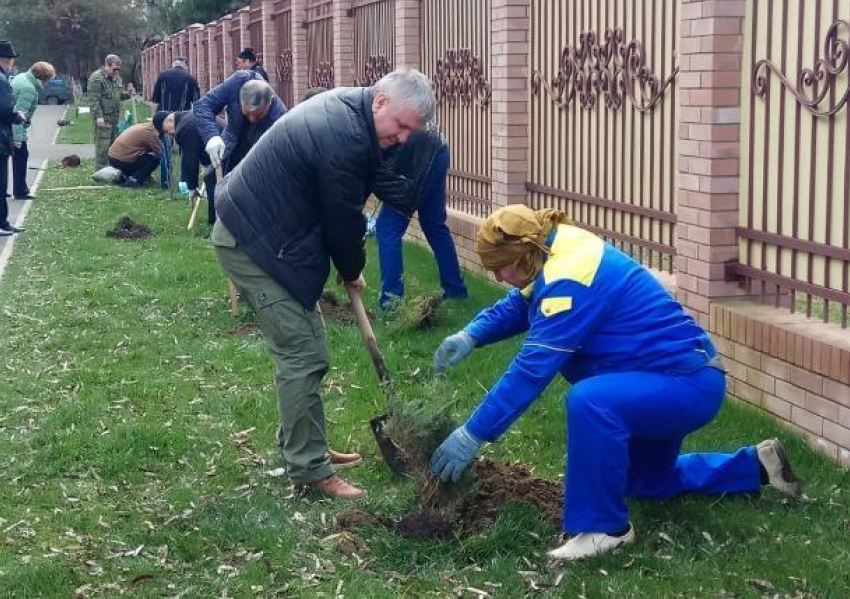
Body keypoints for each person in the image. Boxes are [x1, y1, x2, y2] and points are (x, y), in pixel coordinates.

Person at [429, 204, 802, 562]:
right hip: (666, 379)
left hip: (682, 384)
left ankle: (603, 530)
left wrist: (473, 434)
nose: (498, 278)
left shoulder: (571, 278)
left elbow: (530, 371)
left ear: (526, 251)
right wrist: (473, 333)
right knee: (643, 483)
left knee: (592, 401)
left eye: (502, 268)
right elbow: (521, 303)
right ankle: (755, 467)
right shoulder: (554, 245)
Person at [211, 69, 436, 499]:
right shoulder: (346, 136)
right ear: (382, 103)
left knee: (308, 346)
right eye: (402, 126)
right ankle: (310, 470)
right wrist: (351, 268)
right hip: (253, 241)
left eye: (413, 131)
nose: (404, 138)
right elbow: (342, 220)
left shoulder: (356, 114)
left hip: (271, 234)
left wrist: (347, 263)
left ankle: (305, 444)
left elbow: (355, 195)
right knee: (303, 352)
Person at [375, 130, 468, 309]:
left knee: (387, 229)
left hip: (416, 152)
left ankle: (391, 302)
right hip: (438, 146)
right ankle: (455, 291)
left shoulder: (354, 126)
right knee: (434, 224)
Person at [194, 72, 286, 224]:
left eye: (257, 115)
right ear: (240, 100)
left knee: (252, 181)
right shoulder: (236, 83)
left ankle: (254, 224)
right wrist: (212, 136)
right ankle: (216, 224)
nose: (251, 118)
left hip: (262, 141)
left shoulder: (279, 116)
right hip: (233, 133)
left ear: (269, 103)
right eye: (247, 113)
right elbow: (202, 106)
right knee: (212, 175)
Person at [151, 57, 201, 189]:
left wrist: (154, 119)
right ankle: (183, 183)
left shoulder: (162, 76)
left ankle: (165, 182)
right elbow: (196, 104)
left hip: (163, 120)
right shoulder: (191, 79)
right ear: (185, 67)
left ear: (173, 66)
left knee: (165, 152)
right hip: (182, 121)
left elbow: (155, 100)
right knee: (185, 153)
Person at [10, 61, 56, 200]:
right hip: (12, 129)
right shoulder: (28, 88)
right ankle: (20, 191)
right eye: (49, 80)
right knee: (21, 157)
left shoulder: (22, 77)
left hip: (6, 126)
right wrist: (18, 138)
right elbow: (18, 113)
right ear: (43, 77)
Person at [156, 110, 223, 197]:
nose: (168, 134)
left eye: (165, 130)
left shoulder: (183, 128)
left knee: (215, 190)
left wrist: (192, 188)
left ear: (169, 120)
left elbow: (191, 158)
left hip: (225, 151)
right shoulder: (187, 118)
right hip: (225, 146)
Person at [0, 40, 26, 236]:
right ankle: (1, 222)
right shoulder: (1, 80)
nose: (12, 65)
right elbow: (6, 110)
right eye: (10, 61)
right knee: (1, 183)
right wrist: (18, 116)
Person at [88, 54, 129, 169]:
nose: (116, 72)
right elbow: (94, 100)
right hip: (104, 118)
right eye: (114, 69)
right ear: (107, 65)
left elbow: (118, 95)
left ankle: (112, 168)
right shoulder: (97, 79)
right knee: (103, 145)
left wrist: (128, 95)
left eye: (118, 69)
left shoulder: (117, 78)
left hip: (115, 118)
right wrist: (98, 116)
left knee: (114, 144)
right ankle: (101, 170)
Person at [107, 118, 161, 187]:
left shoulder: (145, 126)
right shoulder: (150, 132)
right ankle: (134, 180)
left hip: (113, 157)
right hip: (121, 160)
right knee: (153, 160)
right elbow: (159, 152)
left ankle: (125, 176)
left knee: (144, 156)